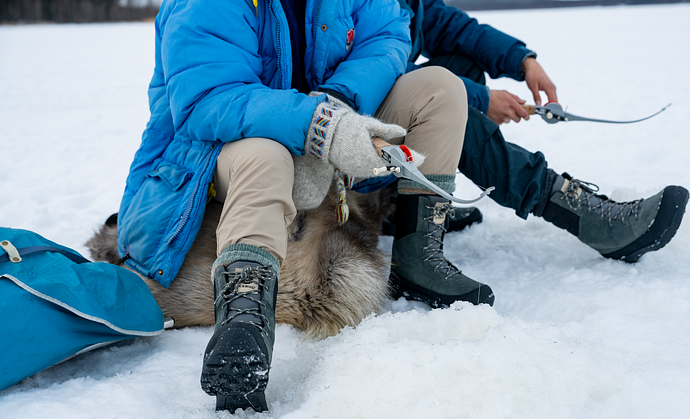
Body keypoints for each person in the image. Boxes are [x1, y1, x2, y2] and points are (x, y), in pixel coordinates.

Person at [115, 0, 492, 413]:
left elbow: (385, 38)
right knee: (265, 156)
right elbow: (208, 99)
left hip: (322, 122)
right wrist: (318, 126)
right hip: (213, 156)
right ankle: (244, 322)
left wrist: (337, 102)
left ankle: (420, 256)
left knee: (438, 87)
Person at [352, 0, 688, 309]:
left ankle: (410, 205)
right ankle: (579, 213)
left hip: (379, 122)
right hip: (350, 140)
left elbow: (452, 27)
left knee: (460, 67)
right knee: (445, 96)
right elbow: (378, 67)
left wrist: (523, 61)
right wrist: (482, 98)